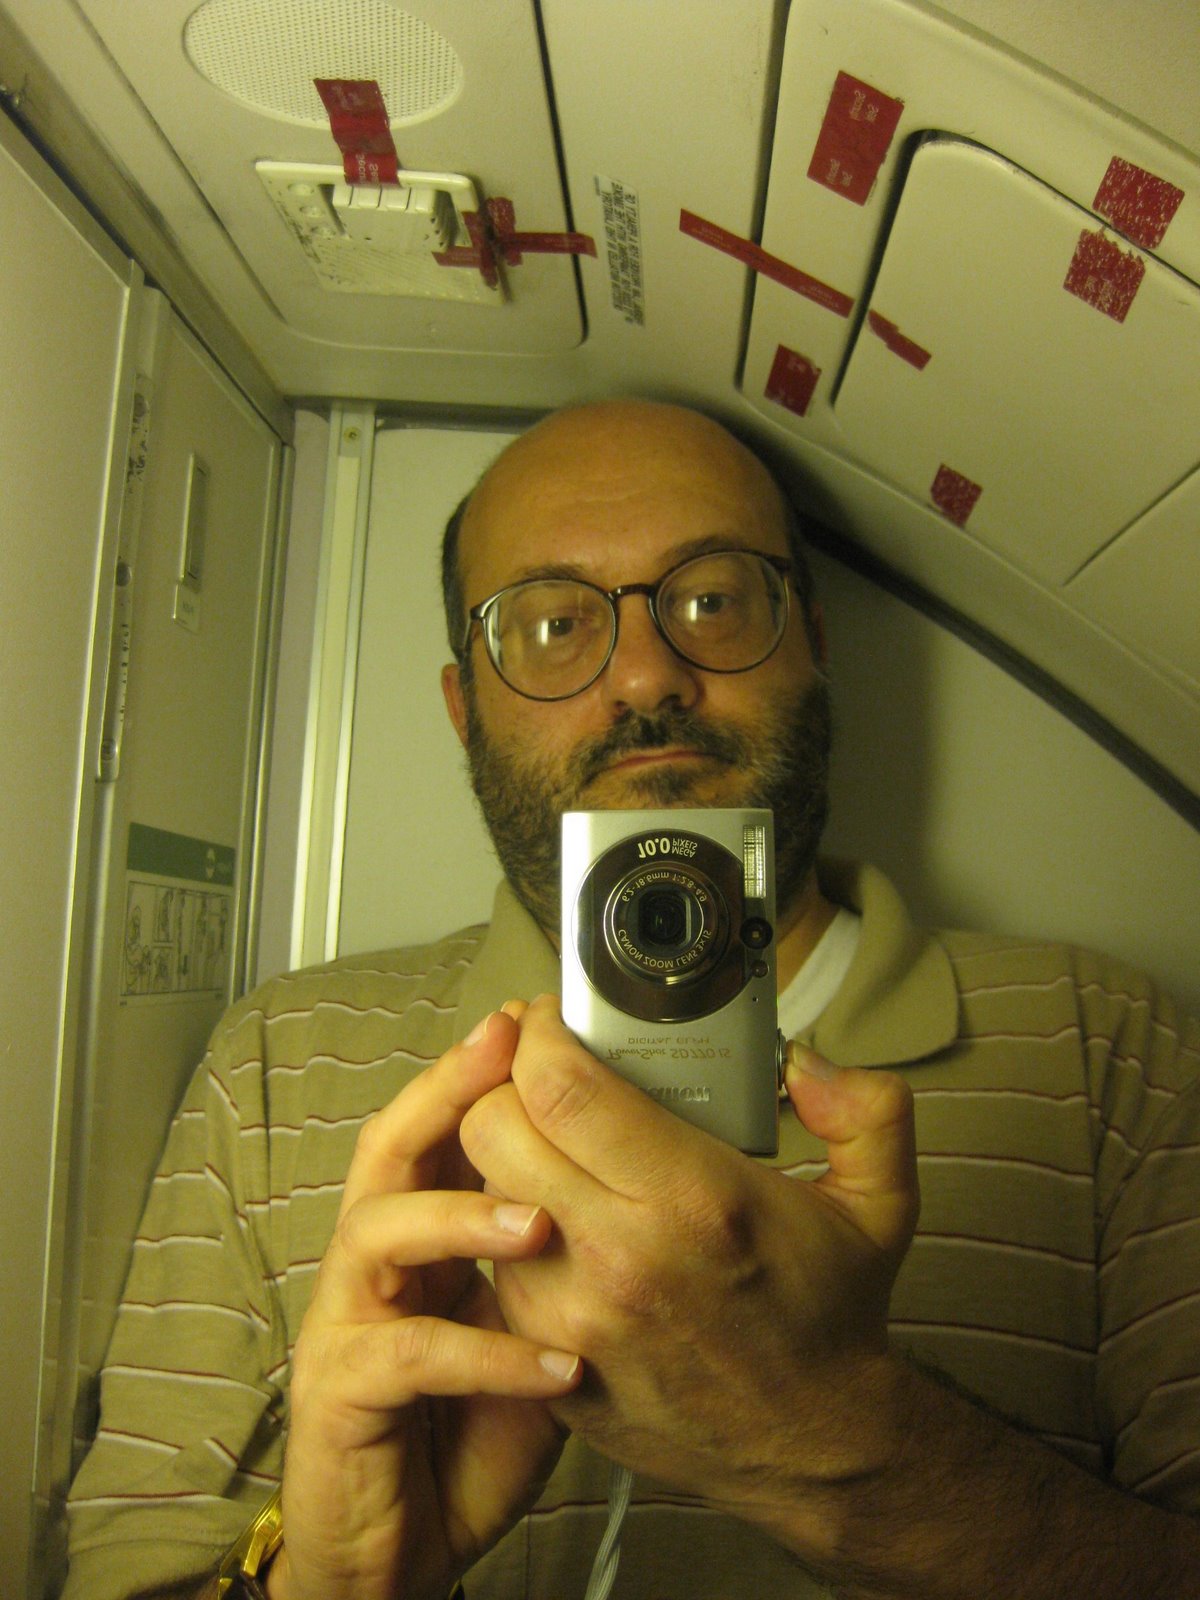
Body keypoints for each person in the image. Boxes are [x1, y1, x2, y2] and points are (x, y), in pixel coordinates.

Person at [64, 400, 1200, 1600]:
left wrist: (841, 1438)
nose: (647, 675)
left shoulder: (1102, 1048)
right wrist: (329, 1584)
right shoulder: (278, 1065)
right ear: (463, 707)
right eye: (555, 623)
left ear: (813, 642)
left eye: (713, 600)